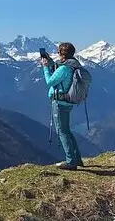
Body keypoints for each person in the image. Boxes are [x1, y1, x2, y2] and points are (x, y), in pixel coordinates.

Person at [41, 42, 84, 170]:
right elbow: (58, 68)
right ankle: (77, 158)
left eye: (59, 52)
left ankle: (70, 161)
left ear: (61, 53)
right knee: (67, 130)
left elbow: (50, 82)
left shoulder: (64, 69)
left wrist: (45, 67)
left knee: (62, 131)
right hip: (68, 101)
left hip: (59, 103)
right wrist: (50, 63)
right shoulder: (73, 65)